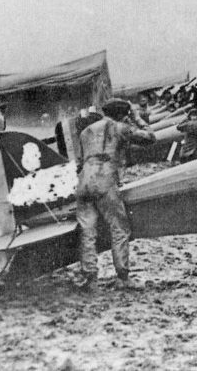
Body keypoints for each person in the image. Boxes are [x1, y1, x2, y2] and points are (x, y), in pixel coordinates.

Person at [75, 99, 156, 292]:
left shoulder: (86, 131)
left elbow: (79, 162)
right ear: (122, 113)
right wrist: (138, 119)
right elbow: (150, 138)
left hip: (84, 180)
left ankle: (91, 279)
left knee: (87, 231)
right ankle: (122, 277)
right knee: (119, 228)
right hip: (104, 178)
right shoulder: (119, 127)